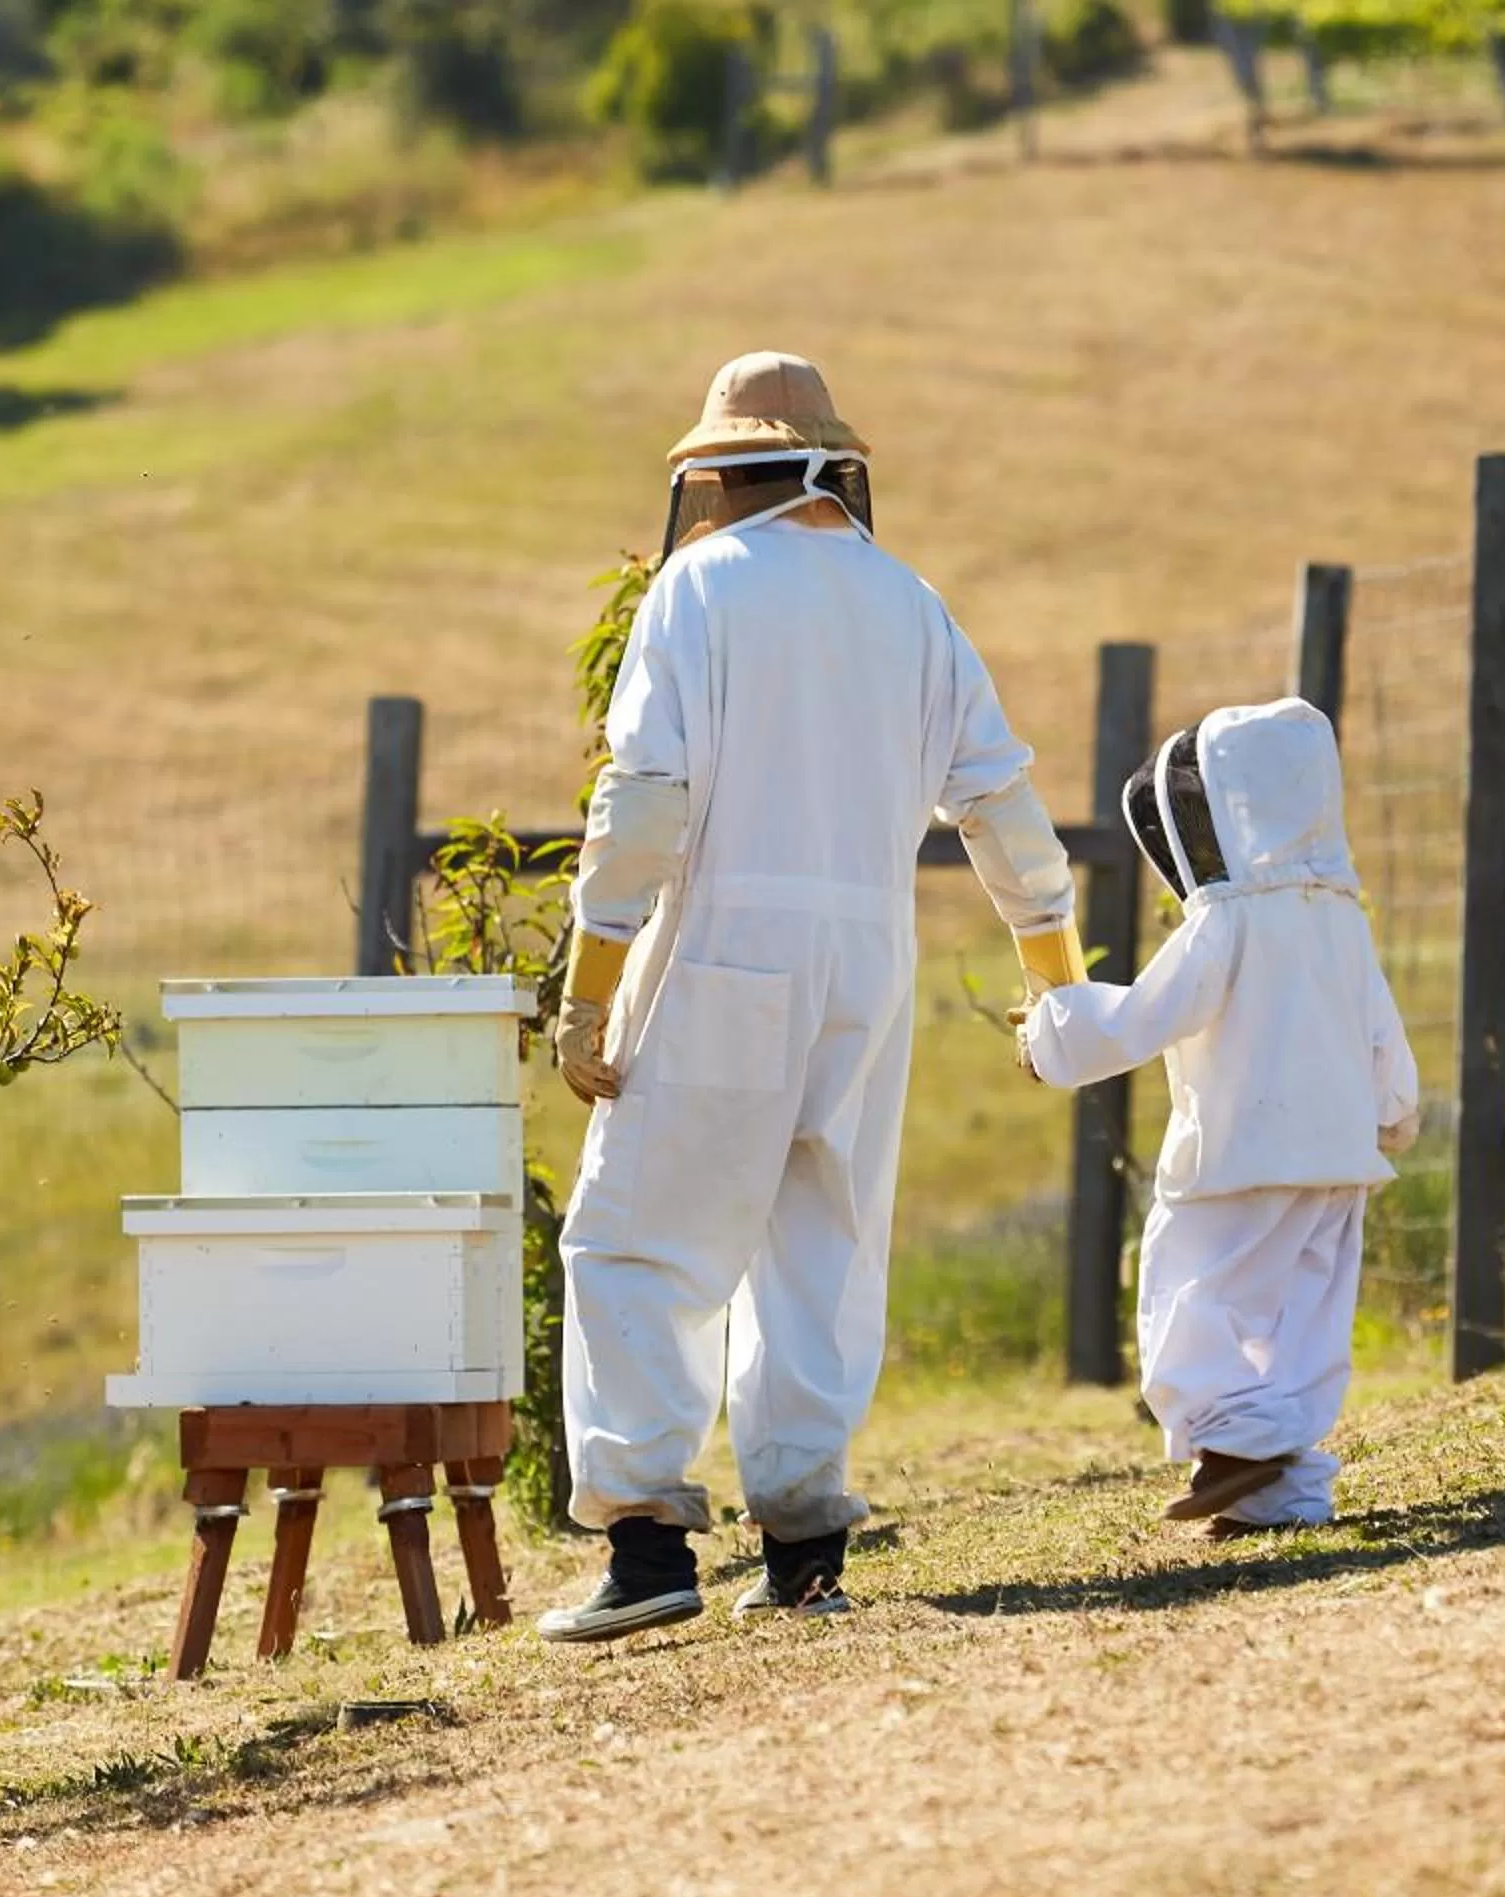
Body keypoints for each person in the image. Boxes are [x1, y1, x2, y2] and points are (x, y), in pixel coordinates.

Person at [538, 353, 1085, 1640]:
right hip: (867, 962)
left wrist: (589, 983)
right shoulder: (911, 603)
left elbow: (646, 802)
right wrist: (1054, 978)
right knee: (821, 1241)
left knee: (639, 1235)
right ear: (834, 465)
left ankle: (647, 1544)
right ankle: (803, 1544)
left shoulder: (700, 587)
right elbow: (1000, 802)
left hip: (724, 948)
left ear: (721, 472)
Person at [1014, 698, 1419, 1535]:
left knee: (1190, 1292)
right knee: (1305, 1320)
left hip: (1237, 1157)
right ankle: (1285, 1490)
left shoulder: (1225, 922)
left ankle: (1236, 1447)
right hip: (1337, 1158)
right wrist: (1393, 1112)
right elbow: (1380, 1025)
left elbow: (1139, 1020)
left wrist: (1050, 1033)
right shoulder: (1341, 917)